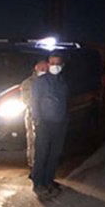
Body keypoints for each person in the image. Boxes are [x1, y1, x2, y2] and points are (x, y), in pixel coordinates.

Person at [30, 52, 69, 198]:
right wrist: (38, 121)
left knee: (55, 154)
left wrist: (65, 119)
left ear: (62, 65)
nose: (55, 67)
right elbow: (34, 102)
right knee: (42, 154)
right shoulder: (40, 82)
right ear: (48, 64)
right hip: (45, 123)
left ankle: (49, 180)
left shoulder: (62, 81)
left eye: (57, 64)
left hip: (60, 123)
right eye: (52, 64)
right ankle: (38, 183)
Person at [21, 60, 49, 167]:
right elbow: (27, 100)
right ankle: (34, 165)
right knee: (34, 141)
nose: (44, 71)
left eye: (46, 69)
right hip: (34, 115)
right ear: (36, 68)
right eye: (42, 69)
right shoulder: (28, 83)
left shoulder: (50, 81)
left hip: (48, 115)